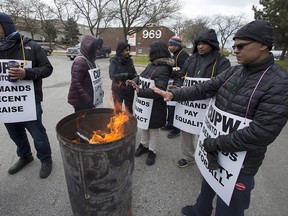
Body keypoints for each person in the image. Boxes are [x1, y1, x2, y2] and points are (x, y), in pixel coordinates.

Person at [153, 20, 288, 216]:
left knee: (229, 208)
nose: (235, 51)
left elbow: (262, 133)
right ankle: (202, 209)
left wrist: (214, 143)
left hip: (240, 162)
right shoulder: (235, 71)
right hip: (215, 150)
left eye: (241, 46)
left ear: (263, 45)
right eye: (234, 46)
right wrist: (173, 95)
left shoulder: (279, 83)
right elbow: (205, 88)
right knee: (208, 181)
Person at [0, 12, 53, 178]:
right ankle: (25, 156)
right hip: (7, 103)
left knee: (38, 133)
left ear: (5, 26)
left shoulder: (31, 46)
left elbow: (47, 68)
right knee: (15, 133)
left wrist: (27, 73)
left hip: (30, 101)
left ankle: (46, 159)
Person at [175, 29, 230, 168]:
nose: (200, 46)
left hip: (208, 105)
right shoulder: (191, 59)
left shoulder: (222, 62)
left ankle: (204, 160)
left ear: (212, 44)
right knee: (186, 130)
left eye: (204, 43)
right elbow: (182, 75)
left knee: (205, 134)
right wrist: (178, 84)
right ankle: (187, 156)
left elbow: (223, 83)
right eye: (198, 43)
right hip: (188, 105)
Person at [126, 41, 173, 166]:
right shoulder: (152, 64)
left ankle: (152, 151)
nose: (149, 53)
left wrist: (140, 91)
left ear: (156, 52)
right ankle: (144, 145)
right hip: (146, 105)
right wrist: (133, 81)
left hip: (155, 106)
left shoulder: (164, 68)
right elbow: (141, 77)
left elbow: (160, 90)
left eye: (151, 51)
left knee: (153, 129)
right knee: (144, 126)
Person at [162, 36, 189, 139]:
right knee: (170, 106)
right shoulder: (175, 55)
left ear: (177, 46)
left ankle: (176, 129)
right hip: (172, 83)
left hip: (178, 84)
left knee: (175, 107)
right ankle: (170, 124)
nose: (169, 47)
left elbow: (183, 71)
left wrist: (170, 72)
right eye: (169, 45)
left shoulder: (183, 55)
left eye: (171, 45)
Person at [68, 35, 104, 112]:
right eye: (96, 49)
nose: (98, 51)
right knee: (82, 123)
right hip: (81, 102)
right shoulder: (80, 61)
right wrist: (87, 99)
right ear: (89, 49)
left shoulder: (90, 61)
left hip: (89, 100)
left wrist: (99, 92)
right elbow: (76, 83)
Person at [109, 42, 137, 114]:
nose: (128, 52)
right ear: (121, 51)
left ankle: (130, 125)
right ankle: (118, 125)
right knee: (118, 111)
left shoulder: (130, 61)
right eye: (126, 50)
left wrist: (135, 79)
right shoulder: (114, 61)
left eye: (129, 50)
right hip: (118, 90)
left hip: (129, 91)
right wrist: (125, 75)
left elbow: (134, 74)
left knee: (129, 111)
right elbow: (112, 75)